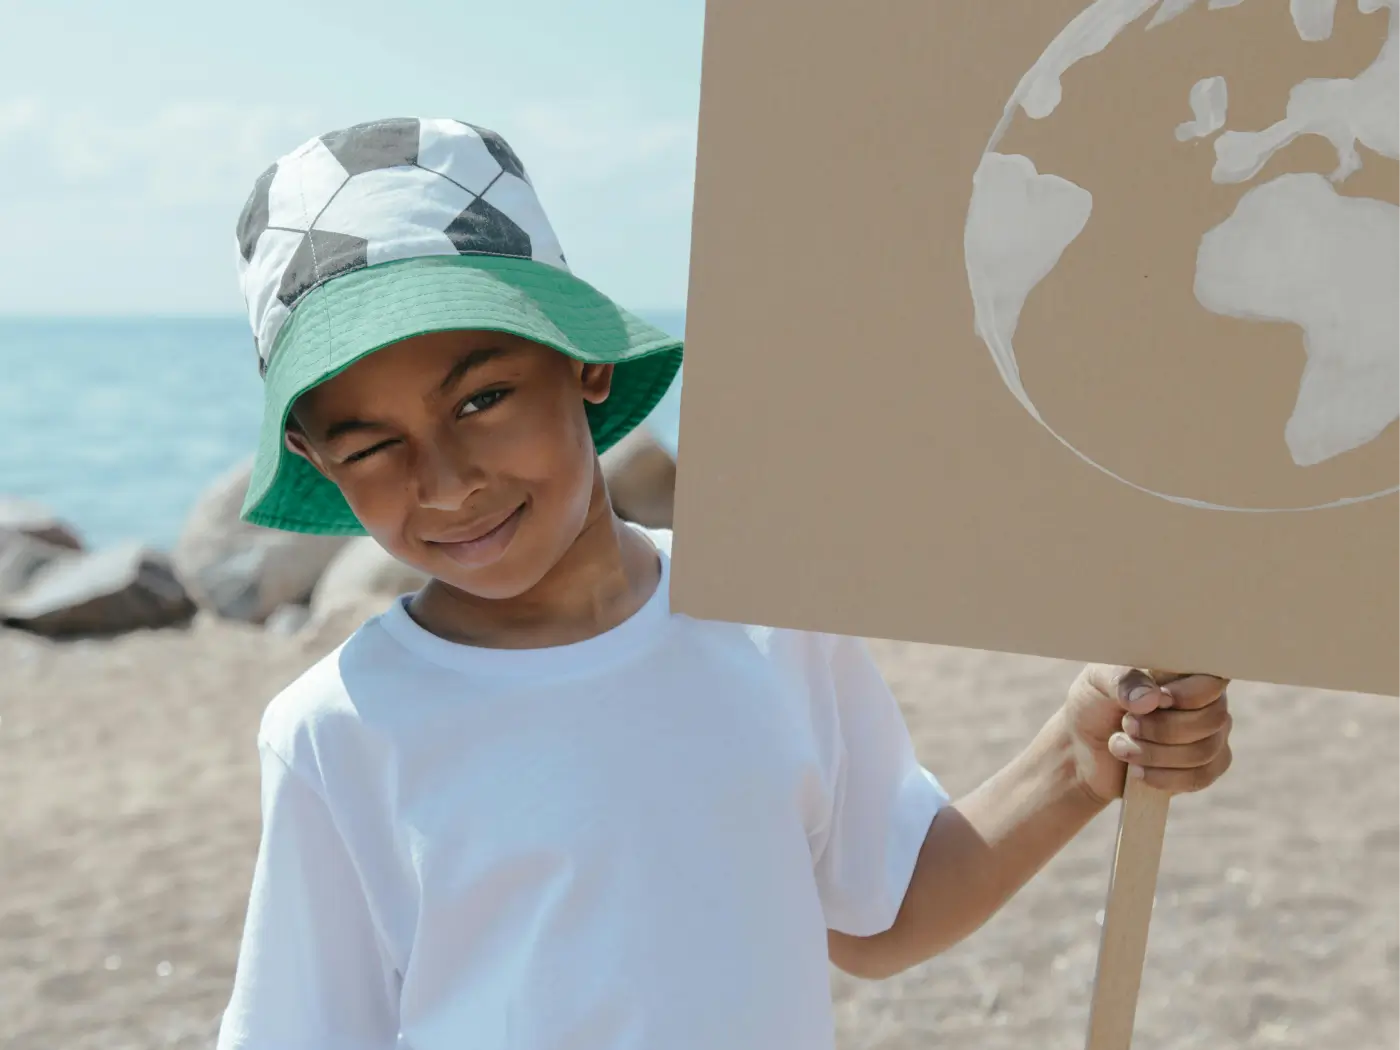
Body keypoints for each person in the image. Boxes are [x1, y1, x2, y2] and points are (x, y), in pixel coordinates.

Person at [216, 117, 1233, 1050]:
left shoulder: (765, 616)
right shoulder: (335, 730)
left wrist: (1078, 753)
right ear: (313, 459)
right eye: (374, 446)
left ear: (585, 364)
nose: (445, 483)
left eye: (481, 398)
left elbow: (883, 912)